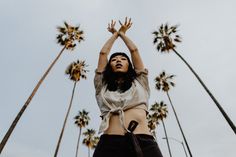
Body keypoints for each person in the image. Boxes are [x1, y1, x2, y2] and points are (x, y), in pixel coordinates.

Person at [93, 17, 163, 157]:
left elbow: (134, 51)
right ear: (109, 66)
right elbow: (102, 54)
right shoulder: (102, 86)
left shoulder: (140, 81)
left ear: (129, 65)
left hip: (144, 141)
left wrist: (122, 33)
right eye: (114, 59)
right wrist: (115, 34)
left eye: (123, 59)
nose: (118, 60)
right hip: (110, 143)